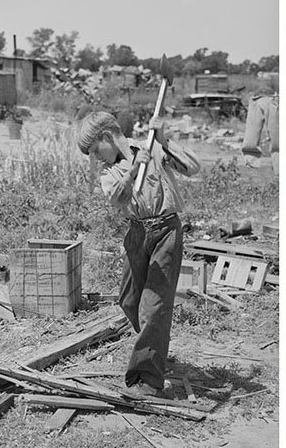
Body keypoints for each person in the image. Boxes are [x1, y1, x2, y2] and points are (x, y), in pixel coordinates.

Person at [77, 110, 201, 396]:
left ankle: (148, 379)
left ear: (107, 137)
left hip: (165, 231)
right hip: (136, 233)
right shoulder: (110, 170)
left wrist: (164, 140)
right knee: (130, 301)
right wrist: (134, 171)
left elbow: (192, 167)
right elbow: (115, 197)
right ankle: (155, 345)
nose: (96, 157)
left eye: (96, 149)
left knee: (154, 306)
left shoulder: (152, 148)